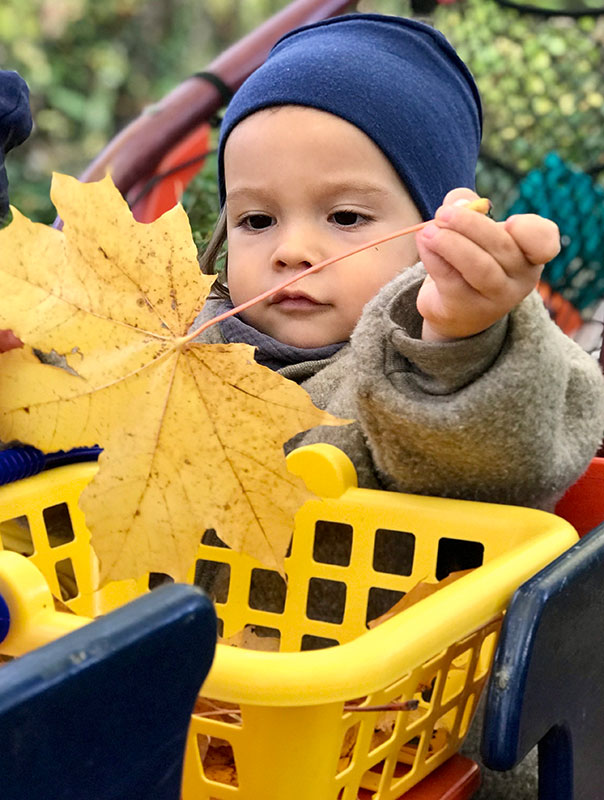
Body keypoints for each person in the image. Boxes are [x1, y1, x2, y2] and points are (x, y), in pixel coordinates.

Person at [193, 13, 604, 514]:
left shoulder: (409, 374)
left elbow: (496, 462)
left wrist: (461, 340)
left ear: (434, 236)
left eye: (344, 216)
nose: (291, 250)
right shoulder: (178, 349)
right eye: (257, 220)